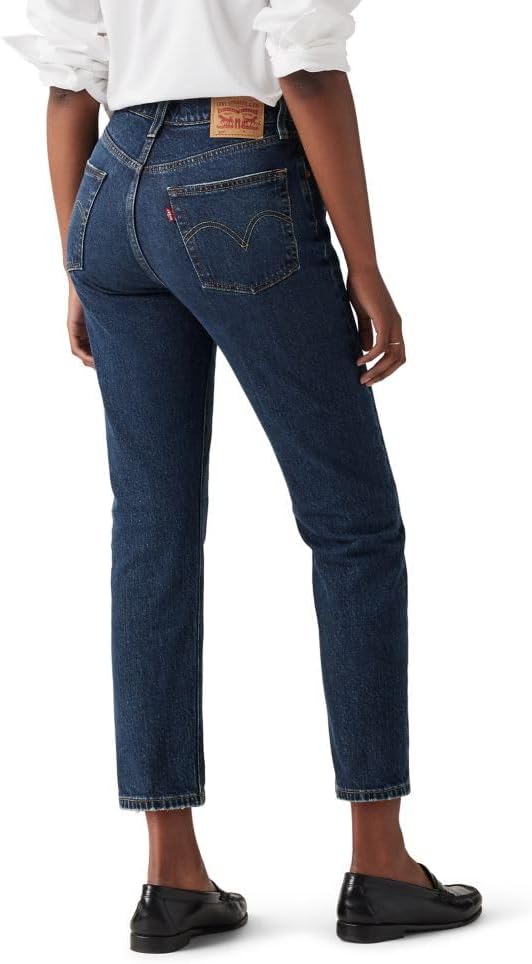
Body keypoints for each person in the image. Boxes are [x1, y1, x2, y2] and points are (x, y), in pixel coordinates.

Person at [5, 0, 481, 950]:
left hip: (107, 188)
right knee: (351, 523)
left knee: (152, 529)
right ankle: (381, 862)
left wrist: (80, 267)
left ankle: (172, 876)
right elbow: (305, 69)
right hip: (236, 177)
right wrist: (365, 266)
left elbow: (67, 88)